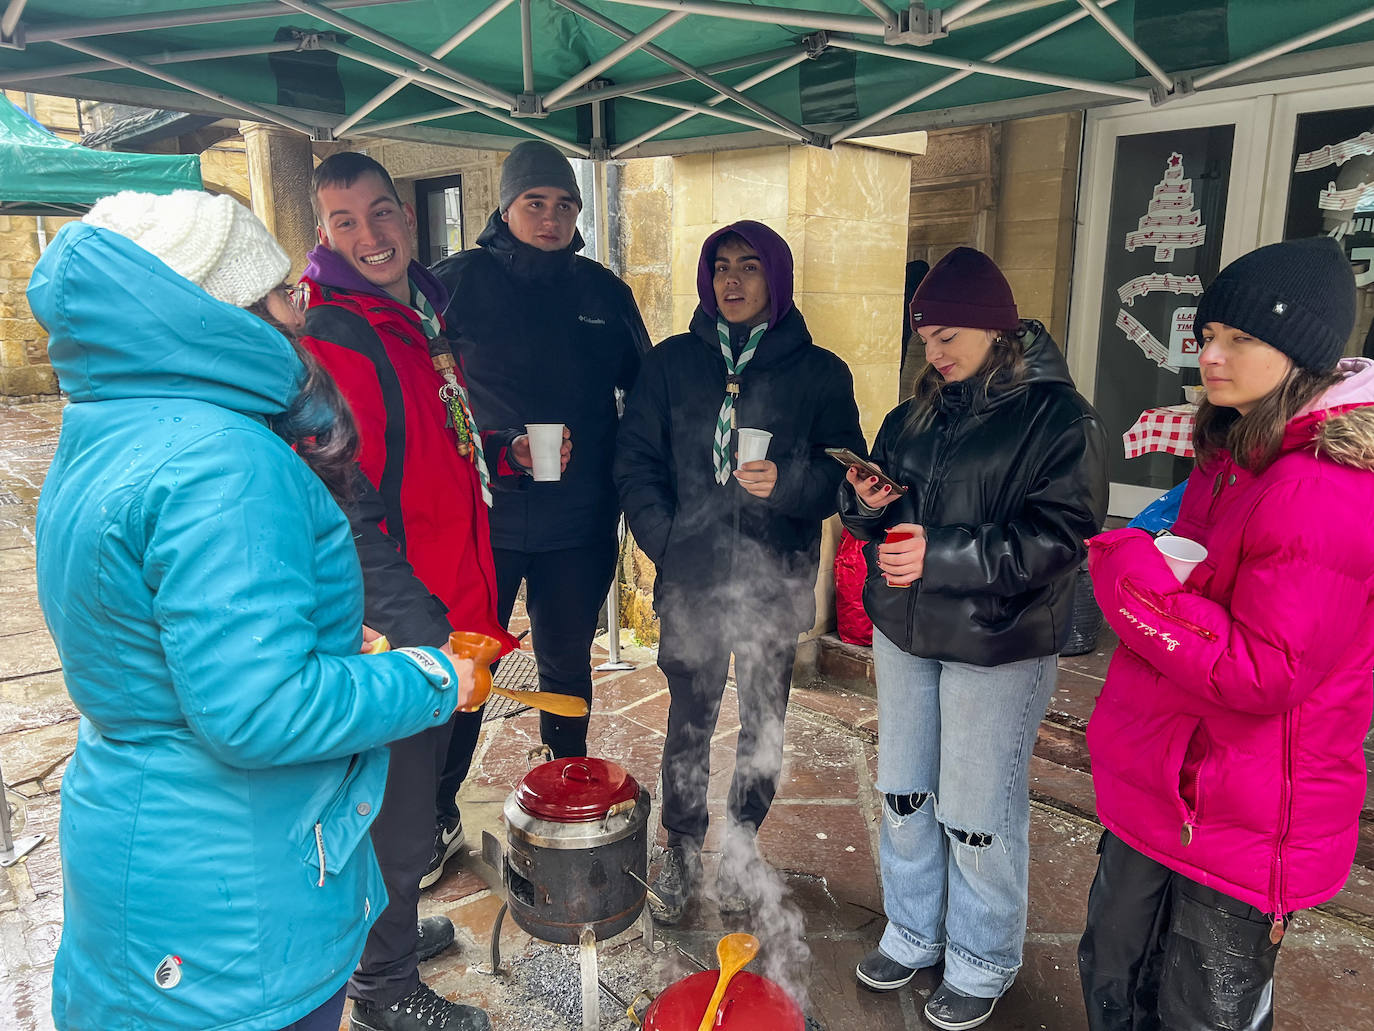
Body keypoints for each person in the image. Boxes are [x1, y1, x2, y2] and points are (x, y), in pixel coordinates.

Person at [29, 190, 477, 1031]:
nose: (299, 311)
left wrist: (329, 643)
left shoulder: (113, 422)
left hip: (147, 841)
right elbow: (259, 710)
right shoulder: (225, 459)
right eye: (280, 294)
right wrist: (427, 675)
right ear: (223, 312)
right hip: (230, 897)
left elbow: (161, 635)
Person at [1078, 237, 1374, 1031]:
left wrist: (1129, 577)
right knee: (1114, 982)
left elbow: (1260, 670)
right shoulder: (1233, 450)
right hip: (1165, 784)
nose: (1211, 354)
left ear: (1303, 351)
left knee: (1200, 1015)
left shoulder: (1320, 487)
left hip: (1242, 817)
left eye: (1241, 338)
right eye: (1208, 334)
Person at [838, 246, 1107, 1030]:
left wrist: (944, 553)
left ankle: (983, 954)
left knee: (977, 807)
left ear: (997, 328)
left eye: (949, 334)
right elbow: (886, 513)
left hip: (1001, 639)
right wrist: (863, 500)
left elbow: (1062, 536)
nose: (936, 352)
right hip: (906, 628)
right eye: (926, 338)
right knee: (904, 790)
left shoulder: (1061, 416)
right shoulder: (915, 413)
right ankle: (915, 928)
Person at [298, 152, 516, 1031]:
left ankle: (380, 942)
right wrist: (420, 630)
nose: (369, 235)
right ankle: (383, 991)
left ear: (407, 216)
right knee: (393, 815)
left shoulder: (415, 318)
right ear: (324, 235)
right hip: (403, 626)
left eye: (381, 212)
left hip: (448, 608)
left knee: (415, 804)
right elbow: (346, 505)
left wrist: (494, 455)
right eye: (345, 222)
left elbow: (424, 455)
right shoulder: (338, 335)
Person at [615, 220, 865, 923]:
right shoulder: (669, 365)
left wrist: (786, 481)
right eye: (721, 266)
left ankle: (744, 842)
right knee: (688, 718)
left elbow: (845, 476)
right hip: (692, 576)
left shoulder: (821, 373)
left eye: (749, 267)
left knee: (764, 721)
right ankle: (682, 843)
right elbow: (635, 462)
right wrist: (665, 537)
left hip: (773, 577)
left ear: (776, 279)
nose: (732, 280)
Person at [430, 141, 649, 822]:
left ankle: (562, 785)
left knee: (566, 664)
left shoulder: (603, 294)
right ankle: (438, 808)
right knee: (468, 667)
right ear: (505, 205)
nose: (550, 217)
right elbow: (427, 393)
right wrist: (496, 448)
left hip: (578, 522)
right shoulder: (454, 283)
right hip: (484, 518)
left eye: (563, 204)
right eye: (535, 203)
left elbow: (645, 396)